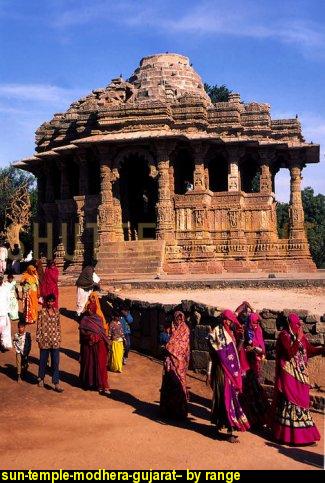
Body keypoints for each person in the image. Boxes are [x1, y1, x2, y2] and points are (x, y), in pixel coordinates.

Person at [271, 312, 324, 446]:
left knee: (303, 402)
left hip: (301, 376)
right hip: (289, 375)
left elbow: (309, 350)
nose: (299, 326)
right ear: (290, 324)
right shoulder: (285, 335)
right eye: (297, 324)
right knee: (292, 402)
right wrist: (299, 339)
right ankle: (287, 437)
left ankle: (301, 436)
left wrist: (322, 349)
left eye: (300, 324)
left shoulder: (300, 337)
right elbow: (289, 353)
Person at [207, 310, 250, 443]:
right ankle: (228, 429)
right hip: (221, 371)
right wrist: (209, 372)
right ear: (222, 319)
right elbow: (214, 355)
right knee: (224, 398)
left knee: (231, 398)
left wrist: (241, 340)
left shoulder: (230, 334)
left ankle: (227, 428)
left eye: (230, 321)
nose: (228, 322)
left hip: (231, 371)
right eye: (226, 319)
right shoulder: (216, 332)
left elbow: (234, 354)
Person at [240, 312, 269, 428]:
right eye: (254, 322)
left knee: (254, 390)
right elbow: (241, 346)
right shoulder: (245, 331)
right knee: (247, 390)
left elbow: (262, 349)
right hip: (245, 364)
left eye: (257, 322)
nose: (255, 324)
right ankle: (249, 417)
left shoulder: (258, 331)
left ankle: (257, 418)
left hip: (254, 364)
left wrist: (253, 349)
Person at [160, 311, 190, 420]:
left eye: (180, 318)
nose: (179, 320)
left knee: (180, 383)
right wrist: (166, 346)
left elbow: (183, 345)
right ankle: (167, 410)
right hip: (169, 361)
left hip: (180, 362)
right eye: (177, 318)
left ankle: (180, 411)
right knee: (169, 383)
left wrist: (169, 347)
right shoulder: (169, 328)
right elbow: (163, 340)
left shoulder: (185, 330)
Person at [79, 301, 110, 395]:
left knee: (100, 365)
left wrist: (99, 338)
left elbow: (102, 332)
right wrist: (89, 336)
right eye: (88, 308)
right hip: (88, 346)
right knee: (90, 363)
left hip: (99, 346)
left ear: (94, 309)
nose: (89, 310)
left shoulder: (99, 319)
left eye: (90, 309)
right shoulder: (84, 319)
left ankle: (102, 385)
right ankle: (90, 383)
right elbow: (82, 332)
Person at [36, 293, 63, 392]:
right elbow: (39, 327)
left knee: (55, 362)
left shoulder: (57, 312)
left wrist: (59, 338)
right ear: (46, 302)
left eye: (52, 301)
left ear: (54, 302)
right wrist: (38, 339)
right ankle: (41, 378)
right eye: (48, 301)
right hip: (44, 341)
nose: (50, 303)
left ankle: (56, 383)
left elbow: (58, 326)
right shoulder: (42, 312)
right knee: (43, 361)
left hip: (55, 341)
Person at [0, 273, 12, 350]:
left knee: (4, 329)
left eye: (1, 279)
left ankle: (4, 344)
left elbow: (8, 299)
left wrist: (8, 310)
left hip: (4, 312)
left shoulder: (6, 287)